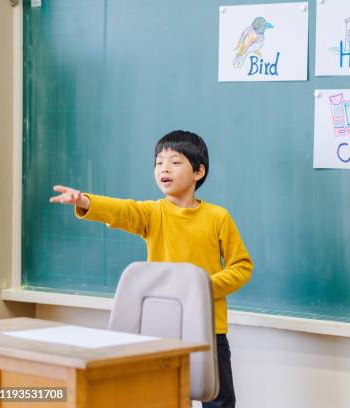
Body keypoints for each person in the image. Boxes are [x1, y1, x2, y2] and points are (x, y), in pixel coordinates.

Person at [49, 130, 253, 408]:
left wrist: (203, 289)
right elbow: (122, 210)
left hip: (209, 329)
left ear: (199, 171)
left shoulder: (218, 217)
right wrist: (85, 201)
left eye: (175, 162)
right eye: (159, 163)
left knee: (219, 402)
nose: (164, 169)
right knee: (161, 398)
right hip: (162, 329)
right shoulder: (153, 213)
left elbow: (241, 266)